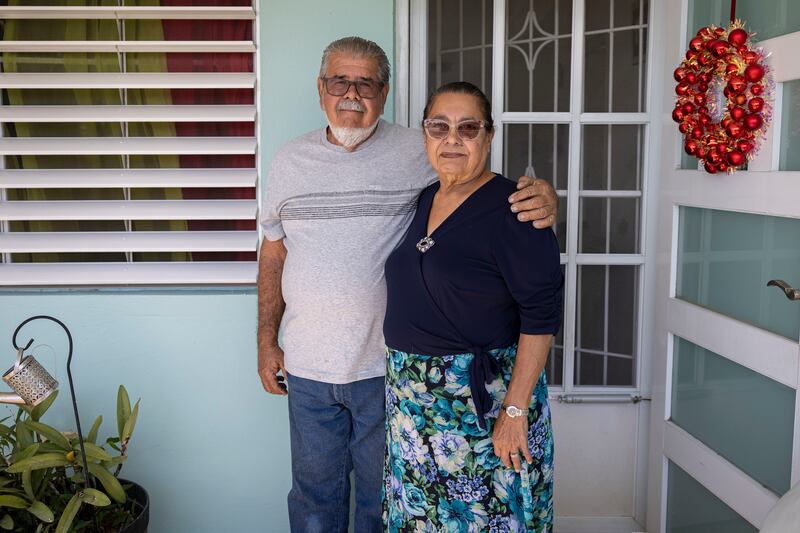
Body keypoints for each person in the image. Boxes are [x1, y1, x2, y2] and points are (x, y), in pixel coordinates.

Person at [257, 37, 558, 533]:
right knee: (314, 499)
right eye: (339, 81)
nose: (352, 94)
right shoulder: (290, 160)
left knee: (389, 505)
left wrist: (544, 197)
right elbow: (273, 251)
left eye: (366, 83)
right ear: (320, 89)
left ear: (385, 91)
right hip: (310, 367)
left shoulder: (419, 154)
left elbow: (486, 191)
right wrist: (267, 340)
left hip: (386, 372)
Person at [382, 81, 563, 532]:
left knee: (487, 519)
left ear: (489, 136)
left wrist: (515, 411)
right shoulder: (425, 198)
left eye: (468, 128)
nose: (452, 139)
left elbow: (541, 317)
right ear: (424, 135)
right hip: (415, 409)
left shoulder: (517, 210)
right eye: (439, 127)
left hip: (484, 407)